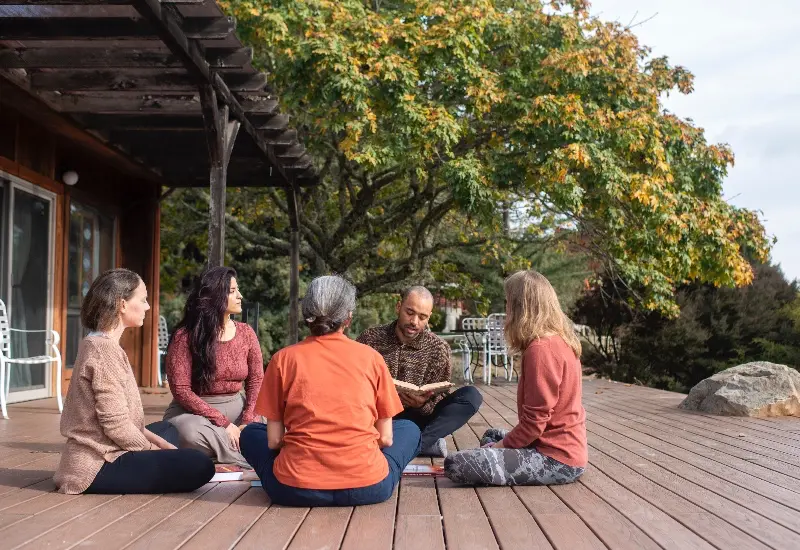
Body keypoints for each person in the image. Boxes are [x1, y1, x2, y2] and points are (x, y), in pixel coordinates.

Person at [240, 275, 421, 507]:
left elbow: (274, 441)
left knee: (250, 433)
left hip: (293, 489)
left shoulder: (282, 359)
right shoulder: (372, 358)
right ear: (349, 317)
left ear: (307, 314)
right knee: (409, 429)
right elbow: (385, 438)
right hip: (368, 487)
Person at [54, 269, 214, 495]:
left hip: (104, 447)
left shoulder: (98, 343)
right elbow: (116, 426)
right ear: (122, 305)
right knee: (200, 465)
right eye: (143, 299)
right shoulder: (104, 352)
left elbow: (129, 424)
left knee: (167, 429)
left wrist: (162, 445)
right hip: (97, 464)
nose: (148, 307)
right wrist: (153, 451)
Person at [444, 270, 587, 486]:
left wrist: (498, 449)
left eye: (509, 302)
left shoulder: (540, 350)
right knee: (491, 435)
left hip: (556, 459)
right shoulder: (560, 341)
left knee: (455, 464)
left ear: (521, 307)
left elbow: (533, 424)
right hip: (561, 448)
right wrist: (497, 446)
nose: (506, 309)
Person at [357, 286, 482, 457]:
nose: (414, 322)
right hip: (378, 418)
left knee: (471, 396)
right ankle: (417, 445)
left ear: (429, 317)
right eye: (410, 312)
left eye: (422, 317)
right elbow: (355, 384)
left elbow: (440, 396)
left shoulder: (439, 348)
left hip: (418, 418)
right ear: (398, 307)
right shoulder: (370, 339)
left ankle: (416, 444)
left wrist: (422, 404)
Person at [163, 266, 264, 468]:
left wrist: (247, 421)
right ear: (216, 295)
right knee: (188, 433)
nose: (240, 296)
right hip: (194, 413)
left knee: (274, 425)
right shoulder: (185, 336)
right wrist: (224, 424)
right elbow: (181, 390)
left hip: (238, 407)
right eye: (233, 291)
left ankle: (229, 448)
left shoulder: (246, 333)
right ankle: (246, 458)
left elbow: (256, 380)